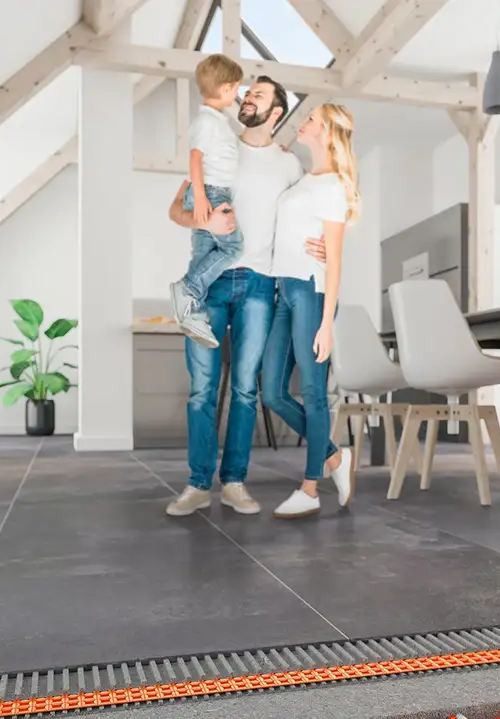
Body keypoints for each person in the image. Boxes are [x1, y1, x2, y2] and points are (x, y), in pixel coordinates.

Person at [162, 76, 325, 518]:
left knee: (245, 391)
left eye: (258, 95)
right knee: (202, 390)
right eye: (247, 92)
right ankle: (198, 485)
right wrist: (205, 222)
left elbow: (312, 215)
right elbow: (176, 209)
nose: (247, 98)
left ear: (276, 113)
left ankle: (234, 483)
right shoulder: (219, 148)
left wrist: (325, 247)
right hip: (210, 284)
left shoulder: (289, 165)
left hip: (260, 284)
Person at [262, 104, 362, 519]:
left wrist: (326, 324)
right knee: (272, 391)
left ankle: (310, 488)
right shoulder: (305, 178)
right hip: (283, 292)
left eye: (311, 120)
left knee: (315, 393)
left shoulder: (334, 185)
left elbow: (334, 261)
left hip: (311, 293)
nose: (302, 122)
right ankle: (335, 456)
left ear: (327, 131)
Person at [169, 54, 245, 349]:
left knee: (203, 253)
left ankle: (193, 313)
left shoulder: (216, 121)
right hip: (212, 191)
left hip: (211, 190)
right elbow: (195, 158)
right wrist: (201, 197)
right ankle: (188, 288)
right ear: (226, 88)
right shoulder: (207, 122)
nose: (237, 92)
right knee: (233, 247)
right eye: (236, 87)